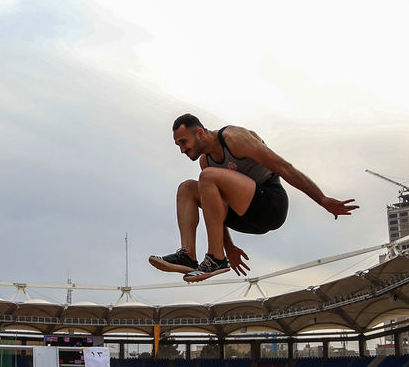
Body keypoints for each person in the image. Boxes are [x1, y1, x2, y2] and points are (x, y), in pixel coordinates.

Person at [150, 113, 359, 282]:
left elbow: (284, 167)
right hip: (244, 216)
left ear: (200, 133)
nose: (182, 149)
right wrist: (229, 247)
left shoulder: (235, 139)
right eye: (178, 145)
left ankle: (215, 258)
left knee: (207, 177)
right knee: (187, 188)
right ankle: (189, 256)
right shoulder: (206, 162)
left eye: (184, 142)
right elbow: (214, 209)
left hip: (270, 204)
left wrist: (321, 199)